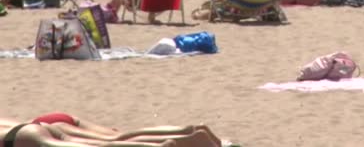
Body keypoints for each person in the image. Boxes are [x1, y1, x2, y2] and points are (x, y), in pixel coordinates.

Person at [0, 113, 222, 147]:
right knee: (114, 138)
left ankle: (159, 146)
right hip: (44, 123)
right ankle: (189, 132)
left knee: (104, 146)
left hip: (21, 138)